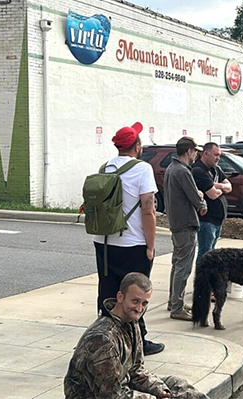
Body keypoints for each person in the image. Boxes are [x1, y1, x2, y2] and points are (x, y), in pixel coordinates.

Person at [64, 272, 208, 399]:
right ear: (120, 297)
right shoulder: (102, 338)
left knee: (178, 386)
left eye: (144, 303)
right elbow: (111, 394)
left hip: (122, 389)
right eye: (135, 301)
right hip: (98, 396)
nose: (139, 309)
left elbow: (136, 371)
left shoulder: (132, 322)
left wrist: (160, 390)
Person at [93, 122, 163, 356]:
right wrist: (151, 246)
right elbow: (148, 210)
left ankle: (103, 341)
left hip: (103, 242)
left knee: (108, 292)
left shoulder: (106, 168)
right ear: (137, 145)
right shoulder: (142, 169)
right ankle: (137, 342)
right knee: (137, 296)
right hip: (133, 244)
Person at [163, 137, 207, 321]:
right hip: (186, 223)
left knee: (177, 263)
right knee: (184, 266)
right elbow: (195, 197)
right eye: (195, 151)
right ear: (188, 151)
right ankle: (177, 307)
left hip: (175, 222)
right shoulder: (182, 171)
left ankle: (174, 301)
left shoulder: (171, 169)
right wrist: (201, 201)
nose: (196, 154)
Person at [192, 142, 232, 262]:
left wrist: (217, 185)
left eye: (219, 155)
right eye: (215, 155)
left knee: (212, 253)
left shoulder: (216, 169)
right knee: (205, 253)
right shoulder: (198, 170)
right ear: (206, 154)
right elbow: (213, 195)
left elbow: (229, 187)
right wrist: (221, 189)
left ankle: (208, 278)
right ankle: (201, 278)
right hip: (207, 220)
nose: (218, 158)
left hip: (217, 219)